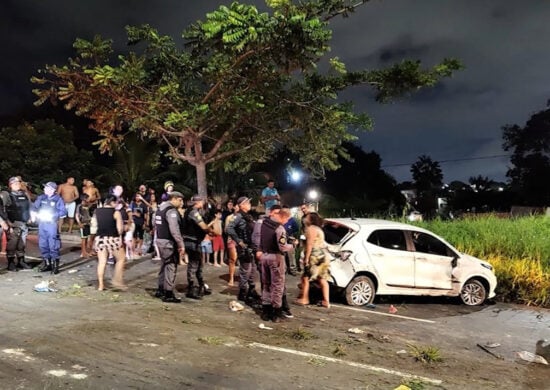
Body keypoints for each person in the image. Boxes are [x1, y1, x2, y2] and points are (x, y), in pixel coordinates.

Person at [258, 205, 295, 322]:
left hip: (264, 256)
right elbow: (282, 247)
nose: (286, 222)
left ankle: (265, 310)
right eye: (287, 219)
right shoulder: (280, 229)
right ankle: (276, 312)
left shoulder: (263, 223)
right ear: (284, 216)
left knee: (266, 284)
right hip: (276, 257)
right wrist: (292, 245)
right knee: (277, 285)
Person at [226, 196, 260, 304]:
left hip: (251, 246)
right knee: (245, 270)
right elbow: (229, 228)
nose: (249, 204)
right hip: (244, 247)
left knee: (253, 269)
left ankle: (251, 289)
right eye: (247, 203)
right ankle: (242, 292)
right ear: (241, 205)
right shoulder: (239, 216)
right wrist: (238, 241)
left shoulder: (248, 216)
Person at [154, 191, 186, 303]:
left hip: (160, 239)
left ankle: (160, 289)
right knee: (171, 266)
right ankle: (168, 293)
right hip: (168, 242)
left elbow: (154, 224)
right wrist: (181, 244)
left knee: (164, 265)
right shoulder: (171, 211)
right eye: (180, 200)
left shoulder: (159, 209)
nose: (181, 202)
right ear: (175, 199)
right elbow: (174, 229)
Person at [295, 212, 331, 308]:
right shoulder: (319, 229)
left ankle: (305, 298)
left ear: (310, 219)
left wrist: (306, 258)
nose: (304, 219)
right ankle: (326, 301)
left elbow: (310, 244)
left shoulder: (311, 229)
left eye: (306, 217)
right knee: (322, 278)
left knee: (305, 277)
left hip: (315, 256)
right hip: (322, 256)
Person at [181, 195, 214, 299]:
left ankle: (200, 285)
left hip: (194, 241)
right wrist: (211, 231)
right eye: (201, 201)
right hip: (192, 241)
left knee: (199, 264)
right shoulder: (193, 212)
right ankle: (192, 288)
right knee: (193, 265)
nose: (203, 203)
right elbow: (202, 226)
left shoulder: (190, 211)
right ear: (198, 202)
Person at [90, 196, 126, 291]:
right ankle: (117, 281)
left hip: (100, 238)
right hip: (112, 238)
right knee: (121, 259)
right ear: (113, 202)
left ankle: (101, 285)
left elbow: (94, 225)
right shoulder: (116, 212)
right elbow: (120, 229)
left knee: (102, 262)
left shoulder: (97, 211)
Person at [32, 182, 67, 274]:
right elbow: (34, 207)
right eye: (45, 188)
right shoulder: (41, 197)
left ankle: (55, 266)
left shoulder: (58, 199)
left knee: (53, 245)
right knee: (43, 244)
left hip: (51, 224)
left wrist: (53, 215)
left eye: (47, 188)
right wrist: (34, 214)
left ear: (52, 190)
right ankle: (47, 264)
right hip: (42, 223)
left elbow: (63, 212)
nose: (44, 189)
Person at [2, 177, 33, 271]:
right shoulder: (6, 195)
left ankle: (21, 261)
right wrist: (7, 222)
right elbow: (2, 210)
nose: (17, 184)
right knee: (12, 244)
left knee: (21, 244)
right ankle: (11, 263)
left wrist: (30, 217)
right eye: (14, 183)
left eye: (18, 183)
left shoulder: (24, 194)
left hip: (24, 223)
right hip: (13, 223)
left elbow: (29, 206)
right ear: (10, 185)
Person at [224, 200, 239, 286]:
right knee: (232, 259)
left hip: (241, 240)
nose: (237, 208)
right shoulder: (229, 217)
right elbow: (226, 230)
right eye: (236, 206)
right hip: (232, 239)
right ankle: (231, 277)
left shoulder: (243, 217)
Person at [75, 193, 93, 258]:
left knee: (87, 238)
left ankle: (86, 251)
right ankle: (83, 252)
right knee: (83, 239)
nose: (88, 199)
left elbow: (88, 214)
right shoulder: (79, 206)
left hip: (88, 223)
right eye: (87, 198)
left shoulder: (87, 206)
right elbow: (77, 215)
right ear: (84, 199)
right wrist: (79, 223)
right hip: (83, 223)